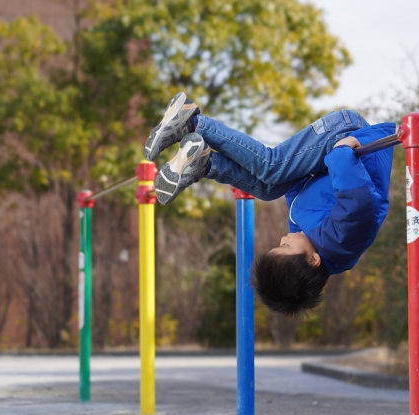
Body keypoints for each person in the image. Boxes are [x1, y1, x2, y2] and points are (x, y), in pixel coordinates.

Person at [145, 92, 395, 316]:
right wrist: (344, 152)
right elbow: (357, 199)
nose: (284, 237)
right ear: (313, 261)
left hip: (327, 162)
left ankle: (205, 163)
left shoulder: (309, 238)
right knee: (272, 167)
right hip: (349, 138)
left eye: (280, 243)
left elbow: (297, 192)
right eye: (285, 245)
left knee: (267, 188)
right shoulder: (342, 240)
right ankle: (193, 120)